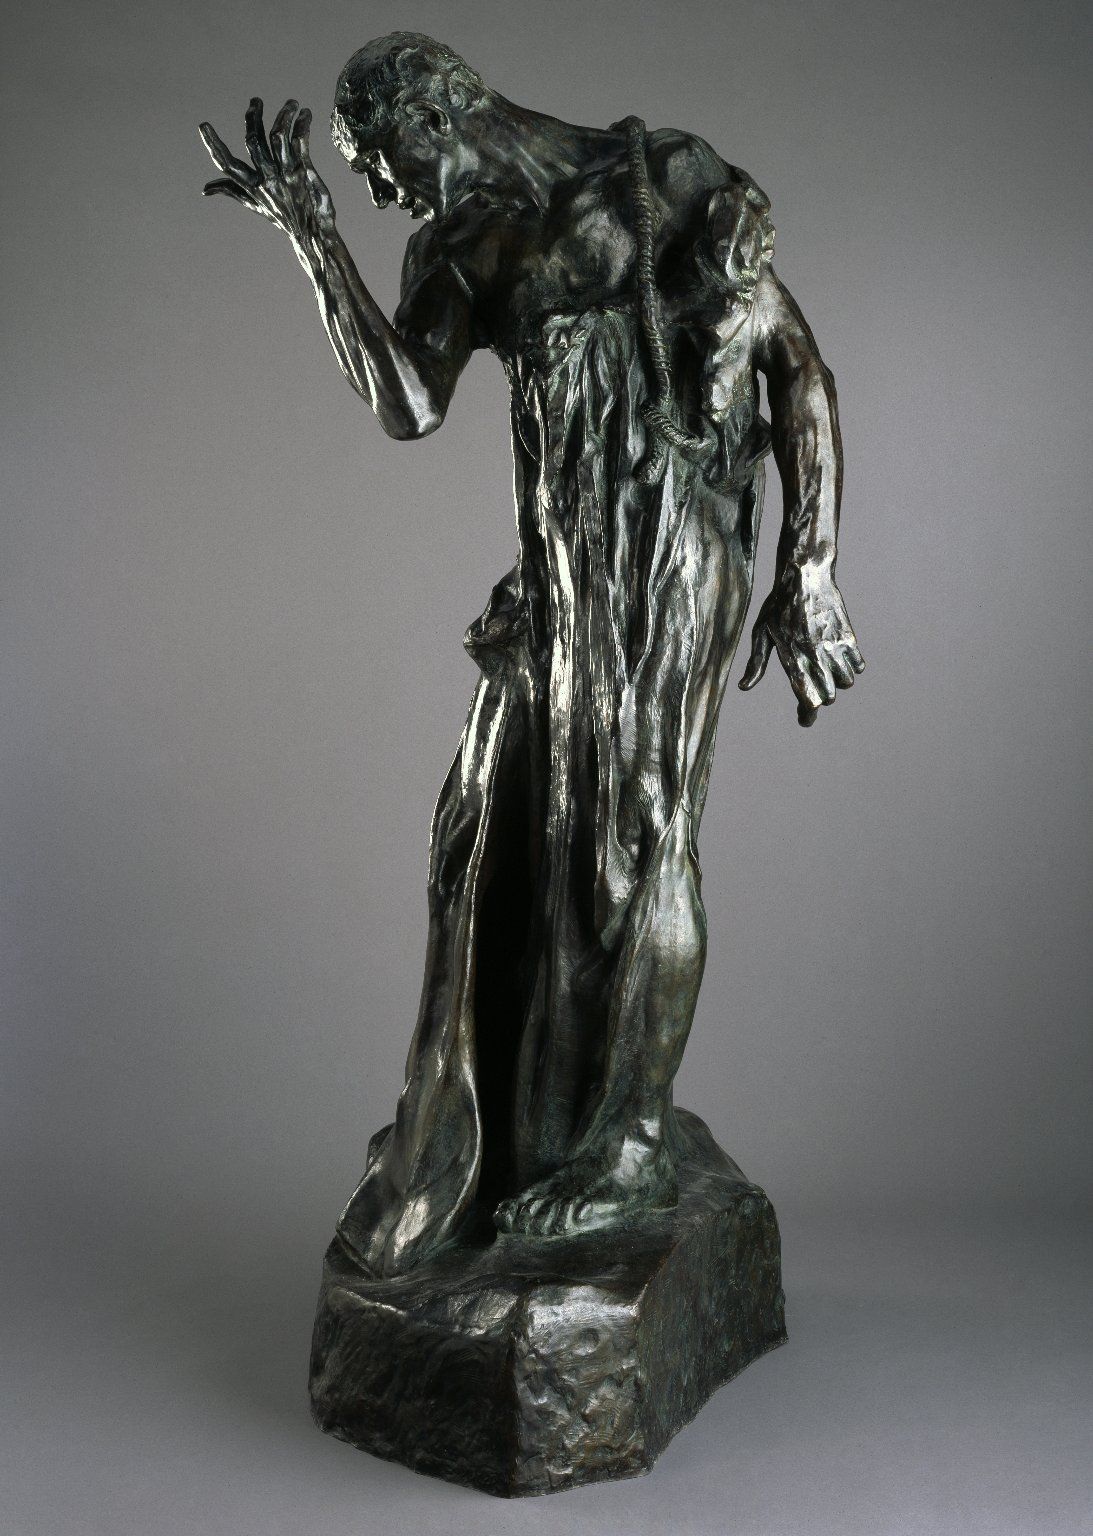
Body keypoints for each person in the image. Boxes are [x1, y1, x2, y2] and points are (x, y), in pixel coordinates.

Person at [200, 32, 864, 1278]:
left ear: (439, 107)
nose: (378, 186)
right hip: (560, 574)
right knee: (487, 832)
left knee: (636, 837)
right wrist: (315, 242)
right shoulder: (457, 248)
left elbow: (793, 362)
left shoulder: (655, 174)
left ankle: (629, 1143)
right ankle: (503, 1135)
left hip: (669, 556)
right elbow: (410, 405)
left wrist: (810, 566)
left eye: (375, 158)